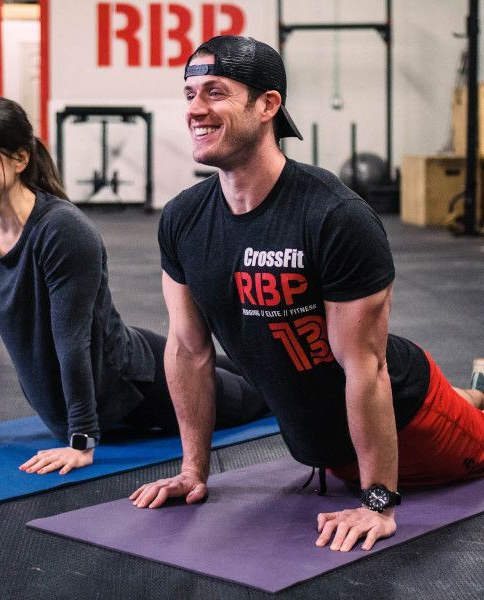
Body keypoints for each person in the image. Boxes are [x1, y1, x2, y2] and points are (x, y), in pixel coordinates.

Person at [129, 35, 484, 552]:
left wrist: (378, 501)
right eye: (189, 95)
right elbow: (188, 350)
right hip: (331, 441)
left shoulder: (333, 217)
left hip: (414, 427)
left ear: (268, 104)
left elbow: (367, 368)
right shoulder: (183, 218)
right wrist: (191, 472)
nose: (195, 110)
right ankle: (475, 387)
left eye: (215, 92)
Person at [0, 96, 267, 475]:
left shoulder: (60, 230)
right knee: (241, 364)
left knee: (265, 392)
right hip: (102, 365)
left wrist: (82, 440)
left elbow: (73, 341)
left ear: (19, 159)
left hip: (130, 382)